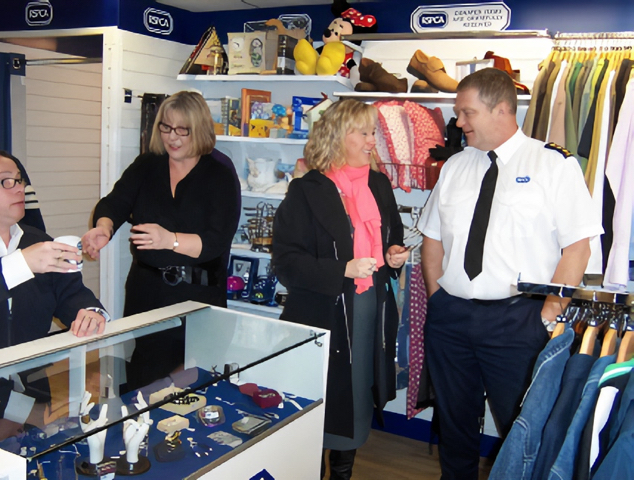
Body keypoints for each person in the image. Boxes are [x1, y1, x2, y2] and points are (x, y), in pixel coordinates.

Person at [418, 68, 603, 479]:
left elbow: (578, 246)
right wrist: (437, 298)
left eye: (467, 113)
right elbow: (432, 239)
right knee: (454, 425)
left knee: (521, 426)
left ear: (501, 109)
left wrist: (550, 312)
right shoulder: (455, 167)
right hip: (451, 317)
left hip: (518, 319)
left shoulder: (552, 164)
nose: (458, 123)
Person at [272, 98, 409, 480]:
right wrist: (341, 270)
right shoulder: (306, 191)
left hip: (368, 315)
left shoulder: (378, 185)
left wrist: (393, 255)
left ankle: (344, 474)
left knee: (356, 399)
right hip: (324, 317)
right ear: (337, 136)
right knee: (323, 403)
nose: (371, 141)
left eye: (373, 133)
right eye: (363, 132)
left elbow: (390, 238)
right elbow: (286, 262)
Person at [81, 90, 240, 390]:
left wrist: (170, 240)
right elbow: (115, 202)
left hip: (199, 297)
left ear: (200, 129)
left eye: (183, 130)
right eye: (166, 127)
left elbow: (217, 240)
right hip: (148, 293)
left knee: (192, 384)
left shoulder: (219, 174)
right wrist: (103, 228)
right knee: (147, 384)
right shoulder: (148, 164)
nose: (173, 137)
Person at [0, 151, 108, 439]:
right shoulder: (32, 254)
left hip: (33, 388)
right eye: (5, 181)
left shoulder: (39, 241)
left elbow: (73, 295)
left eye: (19, 180)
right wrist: (22, 263)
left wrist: (91, 312)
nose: (20, 188)